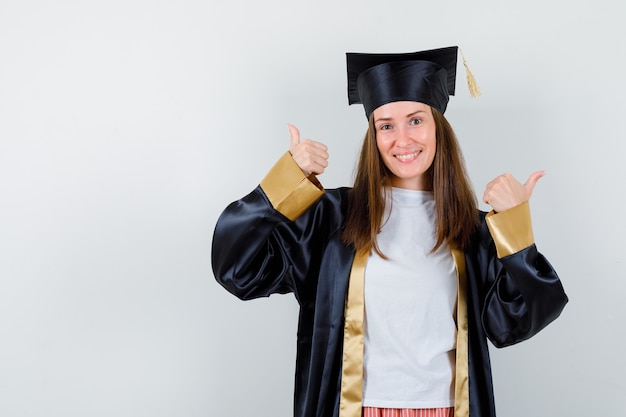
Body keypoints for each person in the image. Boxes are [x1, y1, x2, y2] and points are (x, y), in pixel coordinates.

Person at [211, 46, 568, 417]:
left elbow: (516, 324)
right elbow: (237, 270)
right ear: (374, 136)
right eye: (386, 125)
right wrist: (284, 182)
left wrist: (515, 226)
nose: (402, 139)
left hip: (448, 409)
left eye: (416, 120)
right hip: (353, 409)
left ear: (438, 128)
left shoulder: (472, 230)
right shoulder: (331, 219)